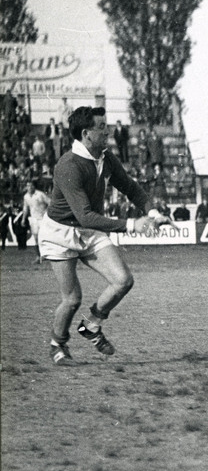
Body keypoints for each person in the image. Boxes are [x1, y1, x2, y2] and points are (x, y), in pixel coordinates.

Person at [37, 106, 170, 366]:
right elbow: (85, 216)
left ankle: (91, 325)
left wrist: (153, 213)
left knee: (123, 281)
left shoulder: (106, 157)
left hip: (88, 231)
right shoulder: (68, 165)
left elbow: (131, 187)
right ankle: (57, 344)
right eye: (101, 127)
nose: (107, 131)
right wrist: (132, 224)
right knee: (72, 299)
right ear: (86, 134)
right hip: (59, 234)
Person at [22, 180, 51, 264]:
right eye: (28, 186)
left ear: (34, 186)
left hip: (43, 218)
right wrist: (23, 219)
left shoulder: (40, 194)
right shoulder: (26, 196)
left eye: (31, 186)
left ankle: (48, 255)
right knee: (36, 237)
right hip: (34, 219)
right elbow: (25, 208)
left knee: (45, 237)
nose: (30, 187)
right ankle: (38, 257)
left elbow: (50, 202)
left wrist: (47, 212)